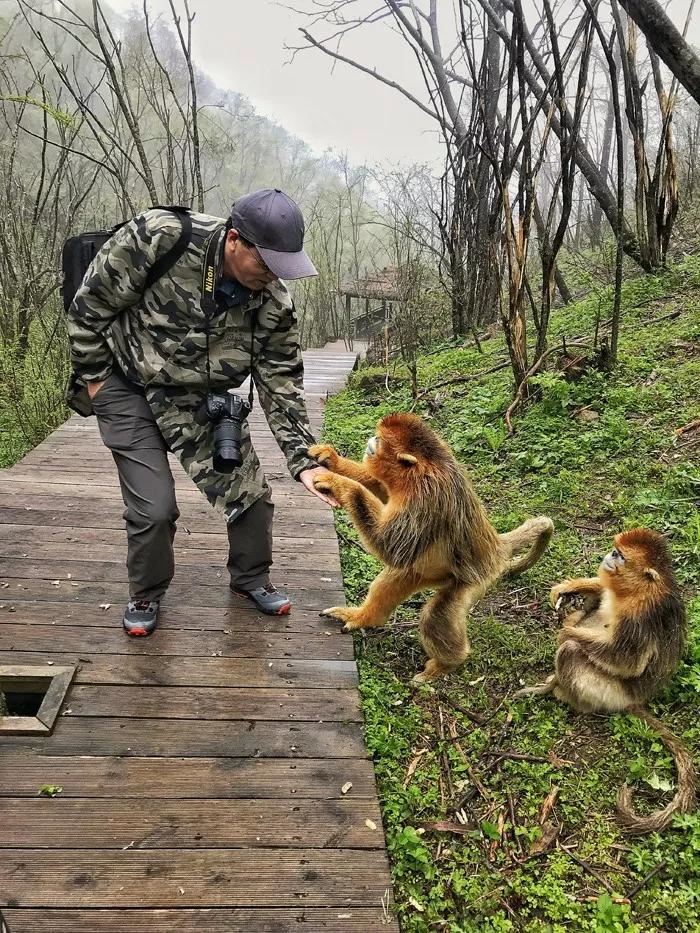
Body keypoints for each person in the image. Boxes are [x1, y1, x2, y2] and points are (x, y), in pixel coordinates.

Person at [66, 188, 335, 636]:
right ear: (234, 240)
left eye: (281, 269)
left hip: (199, 399)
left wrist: (304, 460)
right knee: (155, 508)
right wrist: (96, 381)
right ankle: (146, 593)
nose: (271, 277)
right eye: (265, 264)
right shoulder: (161, 237)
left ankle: (250, 578)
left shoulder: (273, 304)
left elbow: (281, 383)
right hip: (127, 384)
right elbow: (88, 307)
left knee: (250, 495)